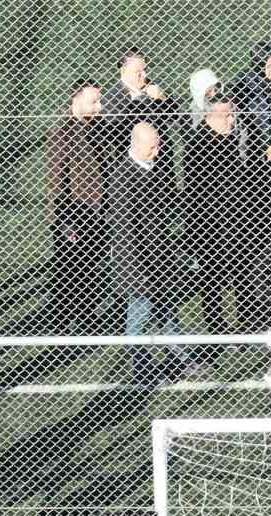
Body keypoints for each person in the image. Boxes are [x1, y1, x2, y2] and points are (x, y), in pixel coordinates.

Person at [183, 96, 271, 367]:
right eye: (226, 116)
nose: (232, 120)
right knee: (213, 281)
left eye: (232, 114)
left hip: (240, 223)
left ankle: (245, 325)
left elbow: (252, 178)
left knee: (243, 276)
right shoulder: (198, 145)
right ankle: (219, 330)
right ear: (209, 116)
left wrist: (265, 161)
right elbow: (196, 194)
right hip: (211, 227)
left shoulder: (238, 140)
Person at [106, 121, 192, 386]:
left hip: (159, 261)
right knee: (138, 321)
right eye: (153, 146)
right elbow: (125, 230)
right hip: (138, 266)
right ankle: (143, 371)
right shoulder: (124, 176)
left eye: (158, 144)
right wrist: (137, 273)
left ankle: (180, 358)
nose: (158, 150)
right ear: (137, 144)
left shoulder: (150, 169)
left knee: (167, 312)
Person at [46, 80, 111, 333]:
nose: (99, 106)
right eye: (93, 101)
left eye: (98, 100)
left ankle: (86, 312)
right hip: (72, 215)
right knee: (68, 268)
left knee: (89, 266)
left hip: (97, 212)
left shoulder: (97, 128)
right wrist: (63, 221)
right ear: (76, 99)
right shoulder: (62, 132)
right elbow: (55, 180)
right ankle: (61, 318)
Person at [102, 48, 179, 164]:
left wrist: (163, 98)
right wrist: (140, 101)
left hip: (163, 162)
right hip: (133, 165)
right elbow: (117, 134)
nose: (144, 75)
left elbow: (175, 115)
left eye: (145, 70)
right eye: (138, 71)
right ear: (123, 70)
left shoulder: (152, 87)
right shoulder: (112, 97)